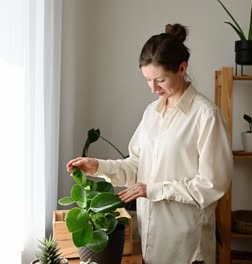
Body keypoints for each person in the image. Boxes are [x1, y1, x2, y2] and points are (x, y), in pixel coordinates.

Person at [66, 23, 233, 264]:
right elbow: (136, 165)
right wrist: (98, 167)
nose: (153, 88)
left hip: (186, 247)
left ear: (182, 68)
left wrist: (154, 189)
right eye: (147, 80)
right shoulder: (151, 113)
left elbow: (212, 184)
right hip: (151, 241)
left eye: (161, 80)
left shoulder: (206, 115)